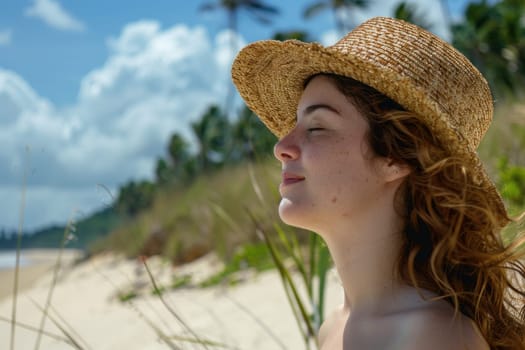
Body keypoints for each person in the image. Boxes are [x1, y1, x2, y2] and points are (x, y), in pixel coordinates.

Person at [231, 16, 525, 350]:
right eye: (295, 125)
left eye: (317, 127)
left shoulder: (434, 336)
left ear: (397, 157)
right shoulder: (333, 330)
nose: (281, 147)